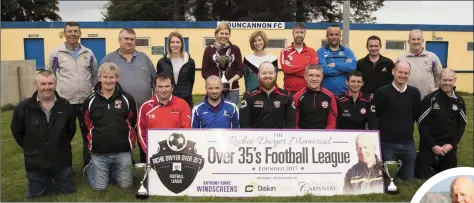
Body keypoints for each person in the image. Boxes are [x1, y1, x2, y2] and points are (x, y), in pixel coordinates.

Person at [11, 70, 76, 199]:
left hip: (61, 160)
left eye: (51, 83)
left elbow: (70, 130)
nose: (47, 87)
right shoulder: (23, 107)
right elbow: (17, 131)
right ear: (36, 85)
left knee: (67, 193)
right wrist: (31, 146)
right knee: (35, 196)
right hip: (36, 162)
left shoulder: (65, 106)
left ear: (56, 84)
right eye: (43, 83)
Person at [45, 21, 98, 171]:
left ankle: (88, 167)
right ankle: (63, 168)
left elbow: (94, 74)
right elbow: (51, 75)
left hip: (85, 102)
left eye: (75, 31)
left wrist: (89, 90)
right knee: (63, 136)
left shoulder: (88, 53)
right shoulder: (56, 54)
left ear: (80, 34)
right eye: (70, 31)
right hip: (64, 103)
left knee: (88, 136)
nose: (73, 34)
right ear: (64, 33)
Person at [100, 28, 157, 163]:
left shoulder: (144, 58)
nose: (129, 42)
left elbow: (155, 81)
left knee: (145, 138)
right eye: (126, 39)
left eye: (132, 39)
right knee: (123, 139)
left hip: (144, 109)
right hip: (119, 110)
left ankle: (146, 166)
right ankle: (125, 167)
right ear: (119, 40)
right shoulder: (109, 58)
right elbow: (101, 80)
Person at [82, 62, 137, 191]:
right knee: (100, 187)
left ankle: (115, 169)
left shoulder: (127, 99)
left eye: (112, 77)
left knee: (126, 186)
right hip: (99, 152)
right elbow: (85, 126)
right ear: (99, 78)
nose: (108, 81)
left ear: (117, 78)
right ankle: (90, 167)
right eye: (105, 77)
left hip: (122, 151)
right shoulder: (89, 101)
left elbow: (132, 122)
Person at [372, 61, 421, 180]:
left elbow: (415, 115)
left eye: (406, 73)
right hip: (387, 143)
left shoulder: (414, 93)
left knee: (409, 179)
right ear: (393, 72)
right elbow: (375, 116)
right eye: (400, 72)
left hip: (408, 143)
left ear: (409, 74)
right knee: (389, 178)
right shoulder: (382, 92)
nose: (402, 75)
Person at [415, 69, 467, 179]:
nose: (447, 83)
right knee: (421, 176)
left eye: (450, 80)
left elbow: (461, 125)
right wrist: (433, 145)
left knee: (449, 176)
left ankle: (438, 163)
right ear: (439, 80)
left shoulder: (460, 101)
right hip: (429, 144)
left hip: (448, 145)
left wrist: (451, 145)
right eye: (444, 80)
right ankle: (420, 157)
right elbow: (421, 124)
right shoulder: (430, 99)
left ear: (455, 80)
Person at [137, 73, 191, 156]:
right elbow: (141, 132)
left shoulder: (182, 105)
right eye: (160, 86)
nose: (164, 90)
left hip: (177, 153)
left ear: (172, 87)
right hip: (153, 154)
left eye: (167, 86)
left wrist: (180, 152)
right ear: (155, 88)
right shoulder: (145, 107)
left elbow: (186, 130)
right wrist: (149, 151)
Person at [240, 62, 296, 128]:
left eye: (271, 73)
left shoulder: (287, 96)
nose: (267, 76)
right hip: (256, 137)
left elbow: (291, 123)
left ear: (275, 74)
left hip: (280, 138)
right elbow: (244, 123)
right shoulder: (249, 96)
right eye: (264, 73)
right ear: (258, 75)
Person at [201, 22, 244, 105]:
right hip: (214, 89)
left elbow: (240, 70)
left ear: (229, 35)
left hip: (232, 88)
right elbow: (204, 72)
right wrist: (215, 82)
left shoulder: (235, 49)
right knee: (213, 115)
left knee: (230, 115)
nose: (224, 36)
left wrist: (232, 80)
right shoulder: (209, 50)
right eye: (221, 33)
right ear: (216, 34)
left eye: (226, 34)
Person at [396, 29, 443, 99]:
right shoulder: (401, 58)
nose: (416, 42)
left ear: (422, 41)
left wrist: (435, 91)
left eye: (418, 39)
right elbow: (395, 78)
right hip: (406, 99)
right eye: (413, 39)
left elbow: (439, 76)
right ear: (408, 41)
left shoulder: (432, 57)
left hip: (428, 100)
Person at [156, 31, 196, 109]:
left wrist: (187, 93)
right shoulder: (162, 62)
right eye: (172, 42)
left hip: (185, 100)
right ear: (169, 44)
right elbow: (159, 82)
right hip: (167, 101)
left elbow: (191, 81)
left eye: (178, 42)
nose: (175, 45)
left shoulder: (190, 62)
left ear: (181, 44)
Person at [293, 64, 337, 129]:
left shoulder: (330, 96)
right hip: (302, 137)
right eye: (311, 75)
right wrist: (301, 136)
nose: (314, 79)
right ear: (305, 77)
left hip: (324, 137)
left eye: (317, 76)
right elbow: (294, 123)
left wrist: (326, 136)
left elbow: (332, 122)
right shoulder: (296, 97)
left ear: (322, 77)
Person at [317, 25, 357, 96]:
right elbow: (324, 70)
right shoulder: (320, 52)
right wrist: (344, 68)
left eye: (337, 34)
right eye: (331, 34)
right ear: (327, 36)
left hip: (345, 93)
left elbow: (352, 67)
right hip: (325, 94)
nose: (334, 37)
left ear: (340, 36)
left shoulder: (347, 51)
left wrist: (335, 65)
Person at [280, 22, 318, 95]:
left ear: (305, 34)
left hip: (307, 91)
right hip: (289, 92)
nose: (299, 35)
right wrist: (305, 67)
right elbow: (286, 69)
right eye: (297, 32)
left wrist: (293, 69)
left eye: (301, 32)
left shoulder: (312, 52)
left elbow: (312, 71)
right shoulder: (285, 52)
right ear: (293, 33)